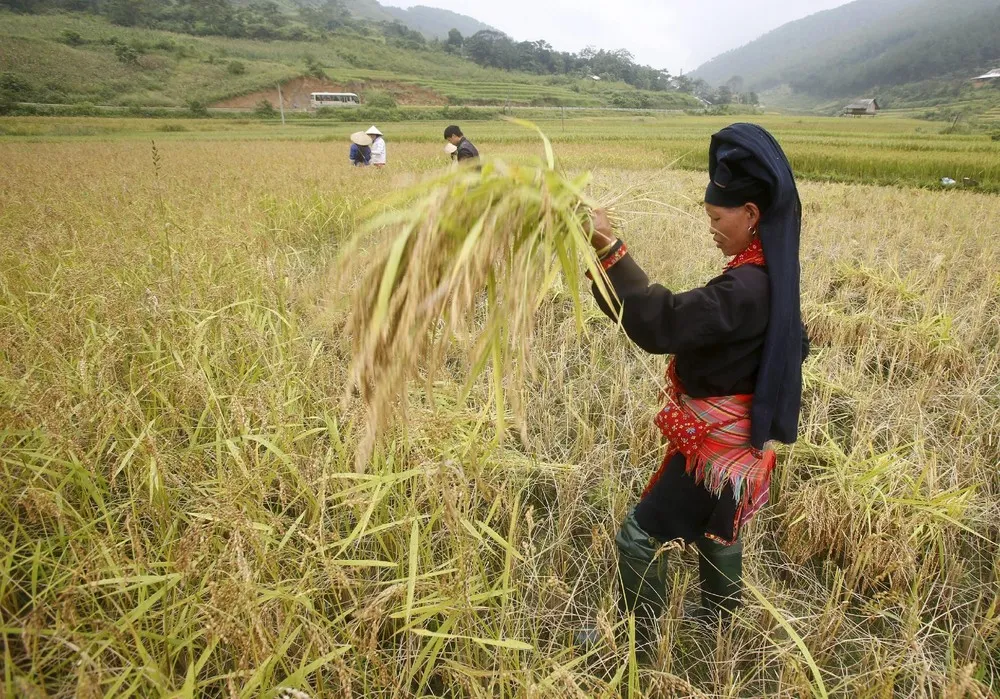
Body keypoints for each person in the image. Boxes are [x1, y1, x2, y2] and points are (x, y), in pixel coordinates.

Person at [586, 123, 809, 648]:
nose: (709, 227)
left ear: (751, 214)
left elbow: (663, 321)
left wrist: (608, 246)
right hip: (743, 448)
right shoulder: (773, 275)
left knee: (638, 538)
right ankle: (720, 629)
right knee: (718, 529)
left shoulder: (745, 288)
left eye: (716, 217)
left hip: (714, 450)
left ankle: (638, 643)